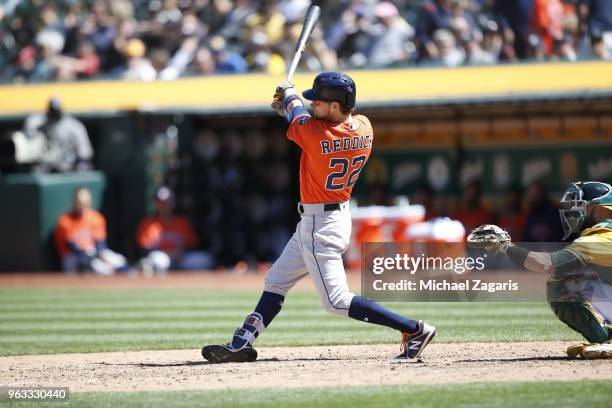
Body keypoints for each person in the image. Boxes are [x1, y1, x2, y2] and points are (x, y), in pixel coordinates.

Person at [201, 72, 436, 363]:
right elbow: (300, 118)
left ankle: (414, 329)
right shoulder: (364, 126)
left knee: (337, 301)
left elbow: (299, 116)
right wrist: (287, 106)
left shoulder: (316, 133)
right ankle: (241, 341)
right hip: (329, 217)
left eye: (320, 101)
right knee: (276, 280)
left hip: (320, 225)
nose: (314, 104)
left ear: (336, 106)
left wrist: (288, 95)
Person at [468, 181, 612, 359]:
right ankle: (608, 338)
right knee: (579, 276)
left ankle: (607, 338)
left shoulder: (602, 238)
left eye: (581, 206)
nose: (574, 212)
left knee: (563, 283)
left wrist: (504, 246)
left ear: (601, 209)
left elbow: (546, 264)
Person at [136, 186, 213, 273]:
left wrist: (178, 253)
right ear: (156, 204)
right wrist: (168, 253)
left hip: (181, 259)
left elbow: (192, 244)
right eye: (161, 203)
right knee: (159, 260)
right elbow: (145, 248)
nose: (164, 206)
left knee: (205, 259)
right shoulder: (148, 224)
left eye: (167, 203)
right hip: (162, 258)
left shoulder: (182, 223)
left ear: (173, 204)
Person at [55, 187, 127, 275]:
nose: (82, 206)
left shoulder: (96, 218)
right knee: (96, 266)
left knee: (118, 260)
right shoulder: (65, 220)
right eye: (79, 203)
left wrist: (100, 255)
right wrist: (92, 256)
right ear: (74, 202)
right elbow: (72, 247)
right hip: (73, 256)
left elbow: (100, 244)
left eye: (85, 203)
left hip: (93, 253)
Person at [24, 97, 93, 173]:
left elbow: (85, 150)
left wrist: (81, 161)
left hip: (67, 165)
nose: (54, 115)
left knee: (82, 168)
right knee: (36, 170)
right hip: (44, 165)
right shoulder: (39, 122)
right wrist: (39, 130)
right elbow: (27, 137)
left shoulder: (73, 125)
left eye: (56, 112)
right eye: (52, 112)